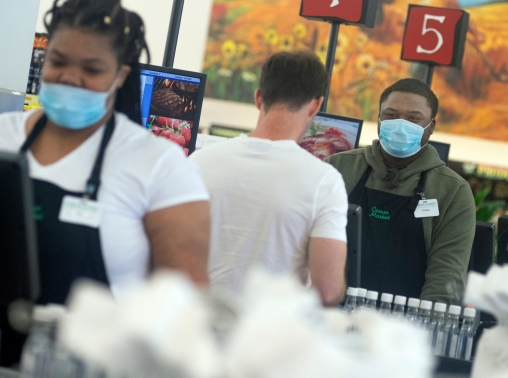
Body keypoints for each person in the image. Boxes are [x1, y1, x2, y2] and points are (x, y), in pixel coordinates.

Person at [0, 0, 212, 365]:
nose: (70, 77)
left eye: (92, 69)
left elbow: (183, 310)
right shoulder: (4, 136)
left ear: (121, 76)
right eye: (58, 61)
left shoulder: (157, 166)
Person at [190, 51, 348, 305]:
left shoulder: (199, 162)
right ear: (316, 105)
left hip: (197, 327)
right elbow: (327, 292)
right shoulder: (324, 182)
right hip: (268, 336)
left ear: (258, 97)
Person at [326, 78, 476, 304]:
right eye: (391, 115)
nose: (400, 124)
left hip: (407, 327)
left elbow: (446, 277)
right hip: (332, 314)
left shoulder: (452, 191)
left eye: (414, 118)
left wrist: (425, 329)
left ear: (431, 126)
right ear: (378, 119)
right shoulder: (338, 168)